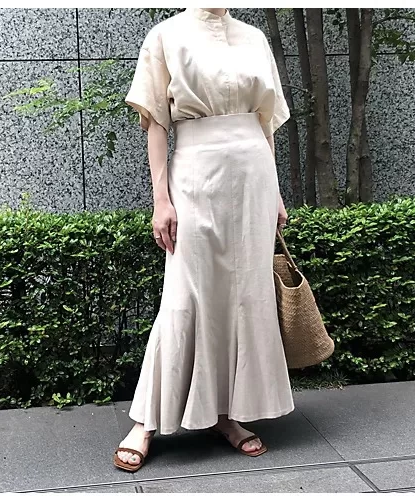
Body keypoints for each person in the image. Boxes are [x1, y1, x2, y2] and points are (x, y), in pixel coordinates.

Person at [114, 7, 294, 472]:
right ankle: (146, 421)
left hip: (254, 176)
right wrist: (161, 200)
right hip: (196, 176)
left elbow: (265, 122)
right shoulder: (165, 35)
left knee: (244, 295)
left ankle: (226, 415)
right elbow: (156, 122)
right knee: (184, 296)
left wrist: (275, 191)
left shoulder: (254, 37)